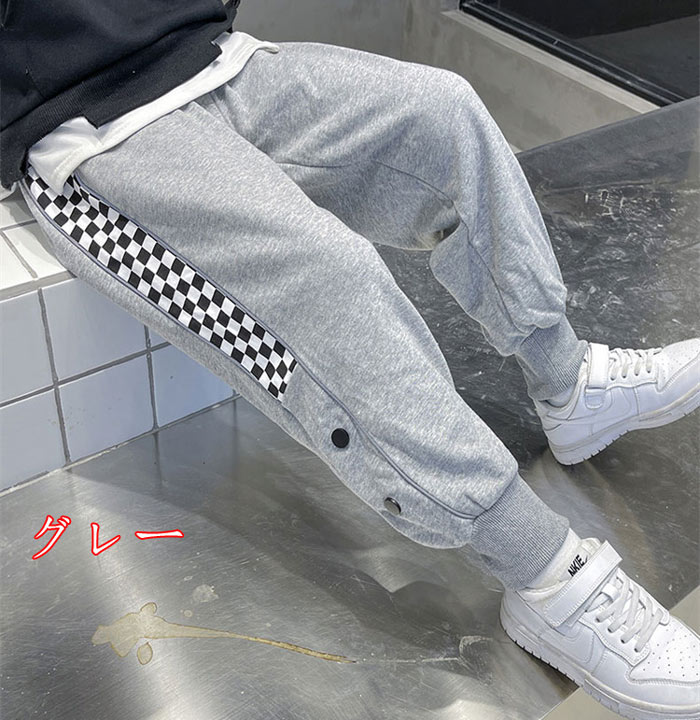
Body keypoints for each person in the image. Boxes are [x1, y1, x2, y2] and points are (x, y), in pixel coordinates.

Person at [2, 1, 698, 717]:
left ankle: (568, 383)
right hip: (88, 126)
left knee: (445, 115)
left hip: (211, 58)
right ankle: (547, 574)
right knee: (328, 274)